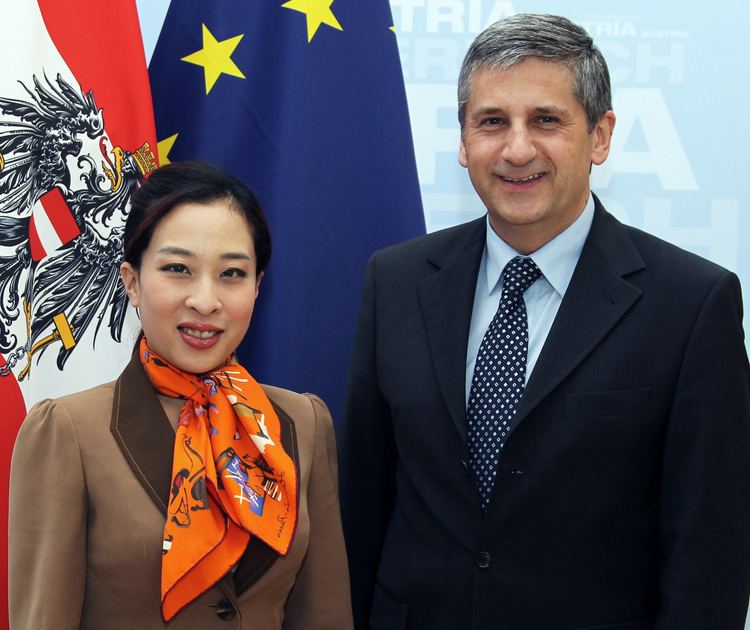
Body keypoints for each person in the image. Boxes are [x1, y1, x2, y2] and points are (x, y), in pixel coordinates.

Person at [339, 13, 750, 630]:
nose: (517, 149)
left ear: (601, 136)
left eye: (547, 121)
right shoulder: (394, 281)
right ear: (463, 139)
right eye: (492, 122)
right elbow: (362, 505)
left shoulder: (691, 304)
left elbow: (709, 554)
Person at [9, 161, 353, 629]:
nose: (206, 300)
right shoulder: (68, 432)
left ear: (258, 287)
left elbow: (325, 615)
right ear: (132, 282)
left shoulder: (303, 423)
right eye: (178, 269)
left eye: (232, 273)